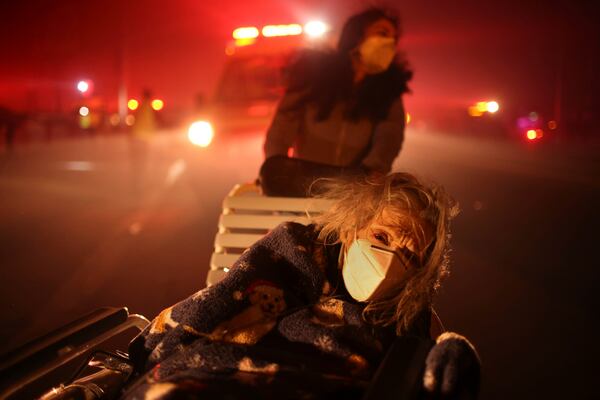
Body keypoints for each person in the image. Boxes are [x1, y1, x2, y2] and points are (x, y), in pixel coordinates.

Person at [125, 173, 480, 399]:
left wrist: (451, 351)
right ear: (351, 227)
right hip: (232, 374)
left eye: (410, 256)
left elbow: (429, 354)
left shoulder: (407, 310)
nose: (390, 259)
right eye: (382, 235)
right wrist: (153, 354)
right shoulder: (296, 251)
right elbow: (218, 304)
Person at [261, 8, 413, 196]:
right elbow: (283, 126)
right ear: (356, 35)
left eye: (393, 38)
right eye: (382, 33)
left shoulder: (389, 92)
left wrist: (374, 171)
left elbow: (389, 136)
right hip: (304, 183)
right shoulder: (313, 75)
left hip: (353, 189)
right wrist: (275, 166)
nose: (389, 42)